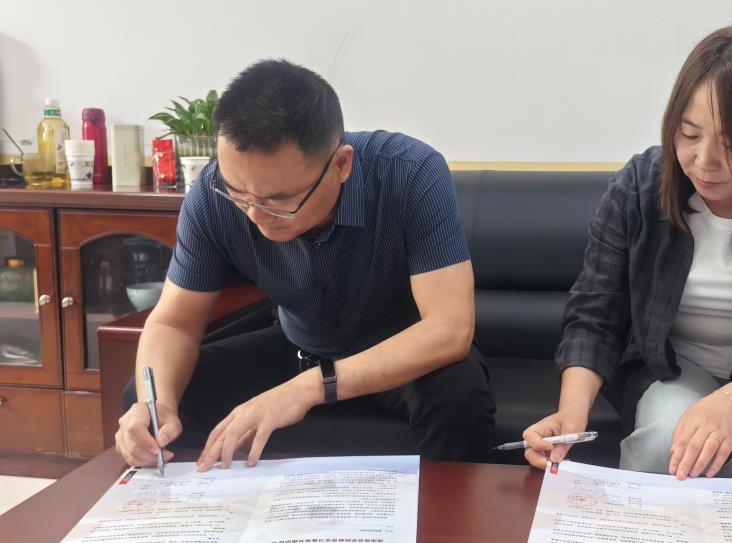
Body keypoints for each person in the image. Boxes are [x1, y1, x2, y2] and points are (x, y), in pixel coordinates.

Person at [523, 25, 732, 482]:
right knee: (666, 436)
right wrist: (570, 414)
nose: (704, 161)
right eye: (689, 134)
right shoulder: (640, 187)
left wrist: (729, 403)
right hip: (673, 367)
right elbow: (596, 314)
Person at [115, 59, 495, 471]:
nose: (255, 214)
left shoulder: (411, 174)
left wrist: (310, 388)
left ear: (342, 165)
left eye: (279, 200)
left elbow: (449, 330)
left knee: (458, 396)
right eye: (237, 193)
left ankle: (446, 515)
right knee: (153, 402)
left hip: (401, 350)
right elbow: (174, 322)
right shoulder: (209, 197)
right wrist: (155, 404)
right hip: (299, 343)